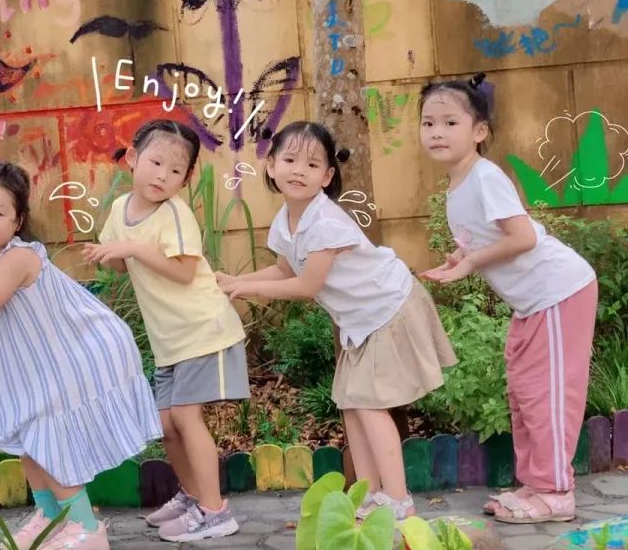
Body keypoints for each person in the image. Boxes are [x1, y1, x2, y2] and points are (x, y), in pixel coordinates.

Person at [0, 162, 160, 550]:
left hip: (76, 355)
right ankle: (50, 515)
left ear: (18, 221)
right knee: (29, 440)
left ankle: (86, 528)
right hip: (37, 365)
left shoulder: (18, 258)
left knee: (49, 438)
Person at [219, 121, 457, 521]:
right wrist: (235, 282)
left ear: (327, 177)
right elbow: (284, 270)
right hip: (361, 319)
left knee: (369, 404)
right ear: (271, 165)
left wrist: (246, 289)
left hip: (388, 307)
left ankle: (398, 501)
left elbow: (306, 286)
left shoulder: (325, 222)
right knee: (351, 403)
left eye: (312, 165)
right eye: (290, 160)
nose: (299, 170)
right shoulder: (285, 221)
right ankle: (369, 494)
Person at [419, 74, 597, 524]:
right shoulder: (458, 186)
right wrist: (458, 258)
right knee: (525, 393)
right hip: (533, 303)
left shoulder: (484, 177)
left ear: (479, 131)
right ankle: (537, 485)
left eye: (450, 123)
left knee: (547, 394)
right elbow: (485, 239)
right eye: (428, 123)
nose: (436, 132)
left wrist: (470, 263)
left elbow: (523, 238)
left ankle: (555, 493)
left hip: (558, 291)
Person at [83, 119, 248, 542]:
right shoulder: (121, 209)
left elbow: (183, 271)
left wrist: (134, 248)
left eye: (175, 171)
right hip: (170, 341)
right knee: (166, 424)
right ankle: (193, 496)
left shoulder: (175, 214)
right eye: (155, 163)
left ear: (186, 179)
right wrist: (106, 254)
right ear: (132, 158)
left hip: (204, 330)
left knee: (186, 417)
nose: (162, 176)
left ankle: (215, 511)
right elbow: (120, 264)